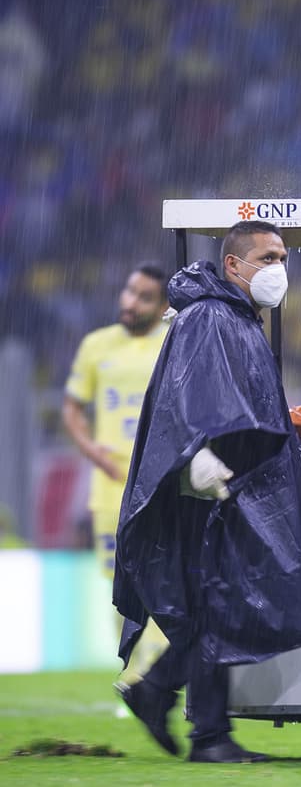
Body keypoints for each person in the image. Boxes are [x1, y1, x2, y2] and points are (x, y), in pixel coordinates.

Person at [113, 220, 301, 764]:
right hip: (212, 492)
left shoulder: (235, 317)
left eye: (283, 258)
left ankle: (167, 700)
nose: (279, 268)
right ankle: (199, 728)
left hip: (231, 488)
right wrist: (196, 455)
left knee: (217, 605)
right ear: (233, 265)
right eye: (268, 257)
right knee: (221, 603)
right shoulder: (210, 316)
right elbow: (184, 395)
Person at [62, 264, 170, 685]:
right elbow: (72, 407)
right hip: (109, 490)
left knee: (162, 578)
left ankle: (152, 675)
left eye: (144, 297)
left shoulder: (172, 342)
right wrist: (91, 450)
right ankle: (133, 674)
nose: (131, 302)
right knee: (118, 585)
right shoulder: (96, 345)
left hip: (158, 485)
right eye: (129, 291)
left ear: (162, 306)